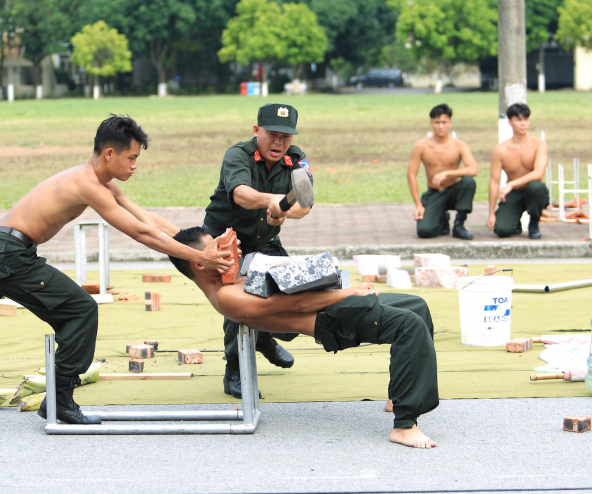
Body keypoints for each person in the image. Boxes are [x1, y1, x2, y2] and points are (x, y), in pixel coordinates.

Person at [0, 115, 233, 428]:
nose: (135, 166)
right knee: (81, 310)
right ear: (109, 153)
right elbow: (139, 233)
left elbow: (148, 219)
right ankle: (60, 400)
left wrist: (201, 245)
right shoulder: (88, 185)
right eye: (131, 158)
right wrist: (198, 258)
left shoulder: (99, 181)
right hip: (6, 255)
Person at [168, 227, 439, 449]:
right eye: (217, 247)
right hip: (333, 319)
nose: (228, 249)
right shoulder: (226, 296)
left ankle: (400, 395)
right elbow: (298, 305)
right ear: (198, 264)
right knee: (409, 325)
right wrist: (350, 292)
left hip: (332, 307)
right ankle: (404, 426)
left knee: (416, 305)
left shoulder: (228, 281)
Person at [203, 103, 313, 399]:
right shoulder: (237, 155)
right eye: (272, 134)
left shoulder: (297, 159)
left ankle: (263, 336)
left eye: (286, 137)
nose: (279, 143)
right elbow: (240, 193)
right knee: (238, 299)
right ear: (257, 131)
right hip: (226, 236)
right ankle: (235, 372)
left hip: (265, 238)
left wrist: (284, 213)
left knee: (293, 292)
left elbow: (305, 202)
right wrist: (271, 201)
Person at [407, 104, 479, 240]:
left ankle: (459, 224)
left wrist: (448, 173)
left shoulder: (460, 145)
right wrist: (418, 205)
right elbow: (411, 175)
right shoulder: (421, 146)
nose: (441, 126)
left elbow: (473, 169)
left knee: (468, 181)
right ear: (431, 124)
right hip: (434, 193)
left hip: (454, 191)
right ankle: (442, 219)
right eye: (437, 122)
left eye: (444, 122)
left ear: (450, 124)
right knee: (425, 231)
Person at [487, 103, 549, 239]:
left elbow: (538, 173)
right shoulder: (500, 150)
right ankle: (514, 223)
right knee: (502, 230)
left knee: (536, 186)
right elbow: (494, 182)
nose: (523, 124)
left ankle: (534, 222)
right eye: (518, 120)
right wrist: (491, 213)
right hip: (514, 194)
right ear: (510, 122)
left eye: (525, 119)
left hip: (534, 192)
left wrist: (511, 184)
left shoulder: (539, 145)